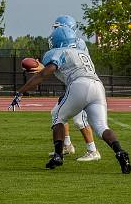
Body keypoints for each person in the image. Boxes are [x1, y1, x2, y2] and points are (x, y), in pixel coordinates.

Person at [9, 26, 131, 173]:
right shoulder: (81, 52)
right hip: (98, 86)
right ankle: (120, 152)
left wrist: (21, 91)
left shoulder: (58, 51)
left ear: (58, 41)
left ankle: (58, 155)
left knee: (57, 116)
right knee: (101, 127)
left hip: (80, 84)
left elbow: (43, 75)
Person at [42, 15, 101, 161]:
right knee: (57, 112)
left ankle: (93, 150)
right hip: (75, 84)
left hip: (81, 86)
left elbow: (63, 63)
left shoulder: (75, 44)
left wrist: (42, 69)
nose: (55, 30)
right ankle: (67, 145)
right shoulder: (76, 42)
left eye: (58, 27)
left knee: (79, 119)